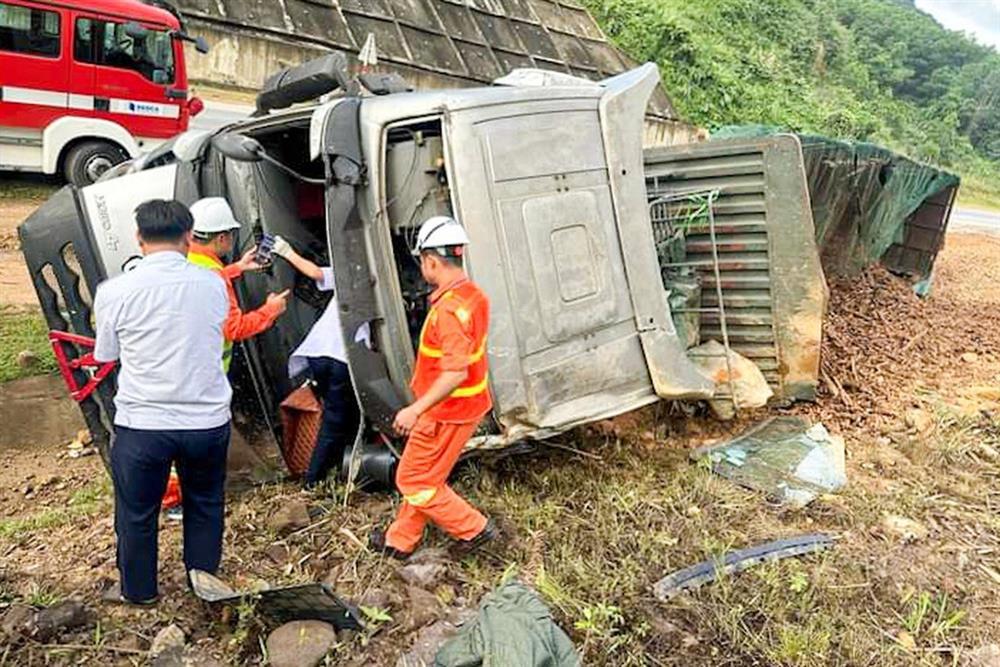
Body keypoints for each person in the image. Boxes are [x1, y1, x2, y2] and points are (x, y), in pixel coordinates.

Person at [93, 199, 232, 605]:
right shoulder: (212, 284)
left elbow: (105, 355)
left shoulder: (114, 291)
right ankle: (203, 585)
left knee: (136, 513)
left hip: (143, 424)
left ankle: (138, 593)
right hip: (206, 421)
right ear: (189, 236)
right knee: (205, 503)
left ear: (139, 238)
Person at [369, 216, 499, 560]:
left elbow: (455, 372)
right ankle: (400, 541)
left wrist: (415, 409)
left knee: (414, 480)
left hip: (443, 413)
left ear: (431, 261)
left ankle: (475, 529)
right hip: (464, 408)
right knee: (428, 476)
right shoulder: (474, 296)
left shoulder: (449, 312)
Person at [270, 235, 362, 488]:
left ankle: (336, 462)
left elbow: (314, 272)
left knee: (340, 412)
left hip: (318, 351)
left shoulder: (349, 272)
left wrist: (286, 251)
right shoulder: (378, 281)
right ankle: (314, 480)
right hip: (341, 356)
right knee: (335, 418)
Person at [187, 197, 289, 372]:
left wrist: (238, 267)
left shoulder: (187, 259)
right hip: (208, 375)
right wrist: (271, 310)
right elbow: (235, 329)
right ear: (221, 238)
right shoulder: (215, 278)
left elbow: (201, 283)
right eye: (231, 234)